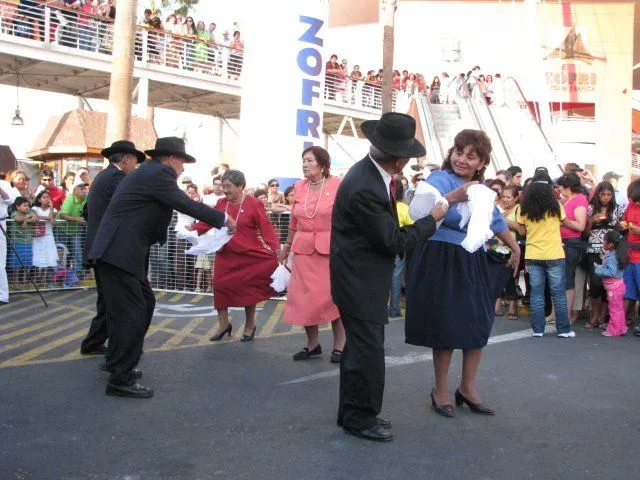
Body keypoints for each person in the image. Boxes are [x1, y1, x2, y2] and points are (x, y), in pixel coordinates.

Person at [331, 112, 447, 442]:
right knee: (367, 354)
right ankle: (361, 418)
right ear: (399, 160)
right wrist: (433, 220)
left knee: (358, 352)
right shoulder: (366, 185)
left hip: (357, 278)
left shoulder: (371, 175)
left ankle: (352, 413)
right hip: (359, 282)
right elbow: (394, 241)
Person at [88, 137, 234, 399]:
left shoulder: (149, 172)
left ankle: (118, 364)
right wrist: (223, 219)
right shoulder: (159, 172)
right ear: (171, 159)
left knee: (142, 304)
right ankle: (120, 378)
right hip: (118, 252)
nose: (183, 168)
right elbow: (187, 204)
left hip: (120, 252)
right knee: (132, 313)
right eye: (183, 162)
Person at [405, 129, 520, 421]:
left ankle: (467, 388)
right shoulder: (438, 180)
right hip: (440, 256)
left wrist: (514, 247)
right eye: (459, 152)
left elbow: (495, 220)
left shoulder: (481, 189)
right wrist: (453, 198)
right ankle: (440, 390)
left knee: (477, 320)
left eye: (472, 156)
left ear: (481, 163)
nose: (463, 160)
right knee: (445, 324)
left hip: (471, 258)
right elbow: (422, 212)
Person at [192, 170, 278, 343]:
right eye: (223, 186)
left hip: (248, 255)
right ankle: (224, 325)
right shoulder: (221, 203)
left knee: (248, 289)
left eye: (228, 186)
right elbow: (208, 221)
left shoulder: (254, 203)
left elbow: (266, 228)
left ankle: (249, 326)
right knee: (219, 286)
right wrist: (193, 229)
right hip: (225, 254)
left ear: (241, 186)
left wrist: (277, 249)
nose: (225, 190)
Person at [80, 140, 146, 357]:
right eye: (135, 160)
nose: (135, 166)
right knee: (115, 303)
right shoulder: (117, 179)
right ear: (126, 158)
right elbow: (132, 206)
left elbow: (87, 210)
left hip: (99, 246)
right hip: (109, 249)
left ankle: (93, 342)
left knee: (107, 300)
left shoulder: (102, 177)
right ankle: (116, 352)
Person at [279, 146, 344, 363]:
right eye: (303, 160)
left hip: (330, 249)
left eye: (309, 160)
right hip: (303, 249)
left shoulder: (337, 184)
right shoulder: (299, 187)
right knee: (305, 298)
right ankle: (312, 344)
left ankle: (340, 345)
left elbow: (346, 217)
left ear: (323, 164)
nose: (305, 164)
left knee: (332, 298)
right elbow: (294, 220)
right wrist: (286, 246)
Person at [517, 170, 575, 338]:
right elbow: (567, 223)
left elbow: (522, 230)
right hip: (555, 254)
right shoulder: (556, 206)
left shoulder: (524, 207)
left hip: (533, 254)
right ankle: (563, 330)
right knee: (558, 293)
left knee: (536, 294)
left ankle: (537, 329)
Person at [584, 181, 624, 328]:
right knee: (595, 283)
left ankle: (602, 316)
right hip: (594, 249)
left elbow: (621, 230)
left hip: (611, 252)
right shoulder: (590, 209)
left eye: (609, 194)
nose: (606, 197)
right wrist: (590, 221)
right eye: (602, 194)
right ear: (597, 195)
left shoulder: (618, 210)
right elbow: (585, 233)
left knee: (609, 284)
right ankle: (593, 315)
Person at [556, 172, 588, 324]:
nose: (559, 189)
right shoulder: (567, 200)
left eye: (561, 186)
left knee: (568, 278)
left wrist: (564, 221)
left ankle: (567, 314)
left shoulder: (580, 200)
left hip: (572, 243)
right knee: (561, 277)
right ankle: (558, 313)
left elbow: (580, 225)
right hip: (562, 242)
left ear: (567, 186)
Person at [595, 230, 628, 337]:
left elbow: (611, 272)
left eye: (604, 241)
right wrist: (603, 260)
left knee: (614, 309)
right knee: (619, 308)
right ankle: (621, 328)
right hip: (618, 286)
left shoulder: (612, 257)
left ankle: (613, 330)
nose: (603, 243)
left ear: (610, 244)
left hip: (613, 288)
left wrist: (597, 269)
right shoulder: (615, 255)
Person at [388, 178, 413, 318]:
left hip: (383, 245)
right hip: (399, 247)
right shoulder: (404, 208)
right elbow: (414, 226)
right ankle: (394, 308)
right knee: (396, 277)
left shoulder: (383, 205)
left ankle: (381, 308)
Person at [57, 176, 88, 275]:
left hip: (75, 229)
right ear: (74, 190)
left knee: (77, 250)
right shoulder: (70, 199)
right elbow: (62, 215)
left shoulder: (86, 199)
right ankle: (58, 273)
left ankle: (78, 272)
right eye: (81, 188)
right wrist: (76, 219)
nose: (84, 190)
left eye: (85, 188)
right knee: (60, 251)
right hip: (61, 228)